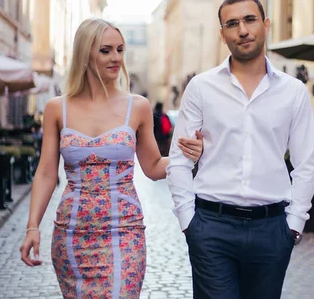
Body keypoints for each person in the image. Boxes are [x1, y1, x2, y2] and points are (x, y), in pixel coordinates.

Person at [19, 18, 204, 299]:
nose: (116, 57)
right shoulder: (57, 109)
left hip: (124, 231)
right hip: (72, 234)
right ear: (85, 53)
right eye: (106, 50)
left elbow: (153, 167)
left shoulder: (138, 106)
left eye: (120, 50)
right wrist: (33, 226)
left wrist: (190, 158)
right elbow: (45, 173)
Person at [166, 0, 314, 299]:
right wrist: (189, 223)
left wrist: (293, 227)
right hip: (211, 227)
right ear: (223, 35)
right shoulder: (201, 88)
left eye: (250, 20)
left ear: (265, 25)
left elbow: (306, 165)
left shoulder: (293, 92)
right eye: (232, 24)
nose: (243, 30)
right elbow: (179, 159)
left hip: (272, 229)